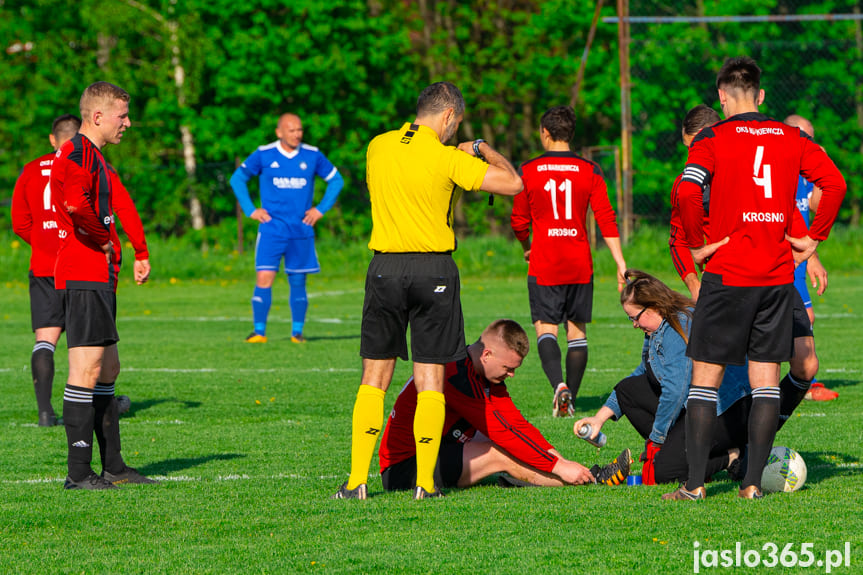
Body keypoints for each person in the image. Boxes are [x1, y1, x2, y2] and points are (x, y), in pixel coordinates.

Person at [666, 57, 845, 501]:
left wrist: (695, 244)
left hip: (728, 275)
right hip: (776, 278)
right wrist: (814, 239)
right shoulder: (791, 137)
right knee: (765, 379)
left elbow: (688, 190)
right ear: (761, 96)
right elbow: (836, 184)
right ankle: (751, 486)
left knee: (704, 382)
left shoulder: (712, 138)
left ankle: (694, 487)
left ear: (722, 97)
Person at [333, 81, 523, 500]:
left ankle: (355, 481)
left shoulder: (376, 146)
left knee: (374, 378)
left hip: (384, 265)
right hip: (433, 268)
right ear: (449, 116)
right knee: (430, 379)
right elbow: (513, 184)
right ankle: (424, 483)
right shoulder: (446, 157)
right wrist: (481, 149)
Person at [574, 270, 812, 486]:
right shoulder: (657, 330)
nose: (634, 325)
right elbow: (642, 373)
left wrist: (656, 442)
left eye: (635, 317)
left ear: (654, 306)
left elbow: (675, 391)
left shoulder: (681, 326)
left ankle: (733, 456)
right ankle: (684, 453)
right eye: (630, 319)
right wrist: (599, 418)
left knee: (661, 472)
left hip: (729, 410)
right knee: (628, 390)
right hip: (703, 407)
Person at [50, 82, 158, 489]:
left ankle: (114, 466)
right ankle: (78, 473)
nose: (127, 123)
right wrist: (101, 239)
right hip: (82, 269)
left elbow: (116, 204)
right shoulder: (76, 151)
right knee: (86, 368)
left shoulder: (95, 157)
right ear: (97, 117)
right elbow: (74, 205)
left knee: (108, 366)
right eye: (122, 116)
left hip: (97, 272)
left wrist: (132, 246)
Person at [379, 320, 631, 491]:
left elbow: (517, 424)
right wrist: (560, 467)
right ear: (486, 355)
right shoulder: (456, 375)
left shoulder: (482, 372)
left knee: (512, 442)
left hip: (440, 445)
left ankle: (579, 473)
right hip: (406, 467)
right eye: (508, 368)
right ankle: (595, 479)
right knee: (499, 452)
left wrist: (560, 460)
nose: (511, 375)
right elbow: (505, 433)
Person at [12, 114, 148, 427]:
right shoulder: (88, 162)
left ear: (52, 139)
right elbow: (116, 206)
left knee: (46, 340)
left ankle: (45, 412)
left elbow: (20, 223)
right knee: (89, 349)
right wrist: (118, 244)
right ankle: (96, 415)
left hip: (45, 265)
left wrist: (46, 243)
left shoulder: (31, 170)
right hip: (83, 264)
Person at [510, 106, 627, 417]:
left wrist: (527, 246)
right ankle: (570, 398)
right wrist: (620, 262)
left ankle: (559, 387)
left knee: (546, 329)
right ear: (571, 135)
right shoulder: (590, 170)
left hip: (545, 261)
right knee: (577, 332)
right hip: (579, 263)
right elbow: (606, 217)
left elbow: (518, 221)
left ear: (544, 133)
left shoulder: (528, 170)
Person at [230, 113, 344, 344]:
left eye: (300, 130)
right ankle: (259, 332)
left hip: (301, 231)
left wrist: (320, 210)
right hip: (272, 230)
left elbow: (336, 180)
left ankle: (297, 333)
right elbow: (237, 179)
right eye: (291, 130)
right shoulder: (264, 154)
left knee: (298, 281)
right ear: (279, 132)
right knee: (264, 277)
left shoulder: (312, 155)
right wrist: (251, 209)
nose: (297, 134)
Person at [783, 114, 837, 402]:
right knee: (803, 316)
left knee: (804, 317)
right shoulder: (782, 166)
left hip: (802, 254)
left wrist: (822, 172)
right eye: (806, 136)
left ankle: (804, 379)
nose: (810, 142)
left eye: (812, 137)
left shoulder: (804, 172)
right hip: (787, 255)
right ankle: (805, 382)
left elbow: (816, 205)